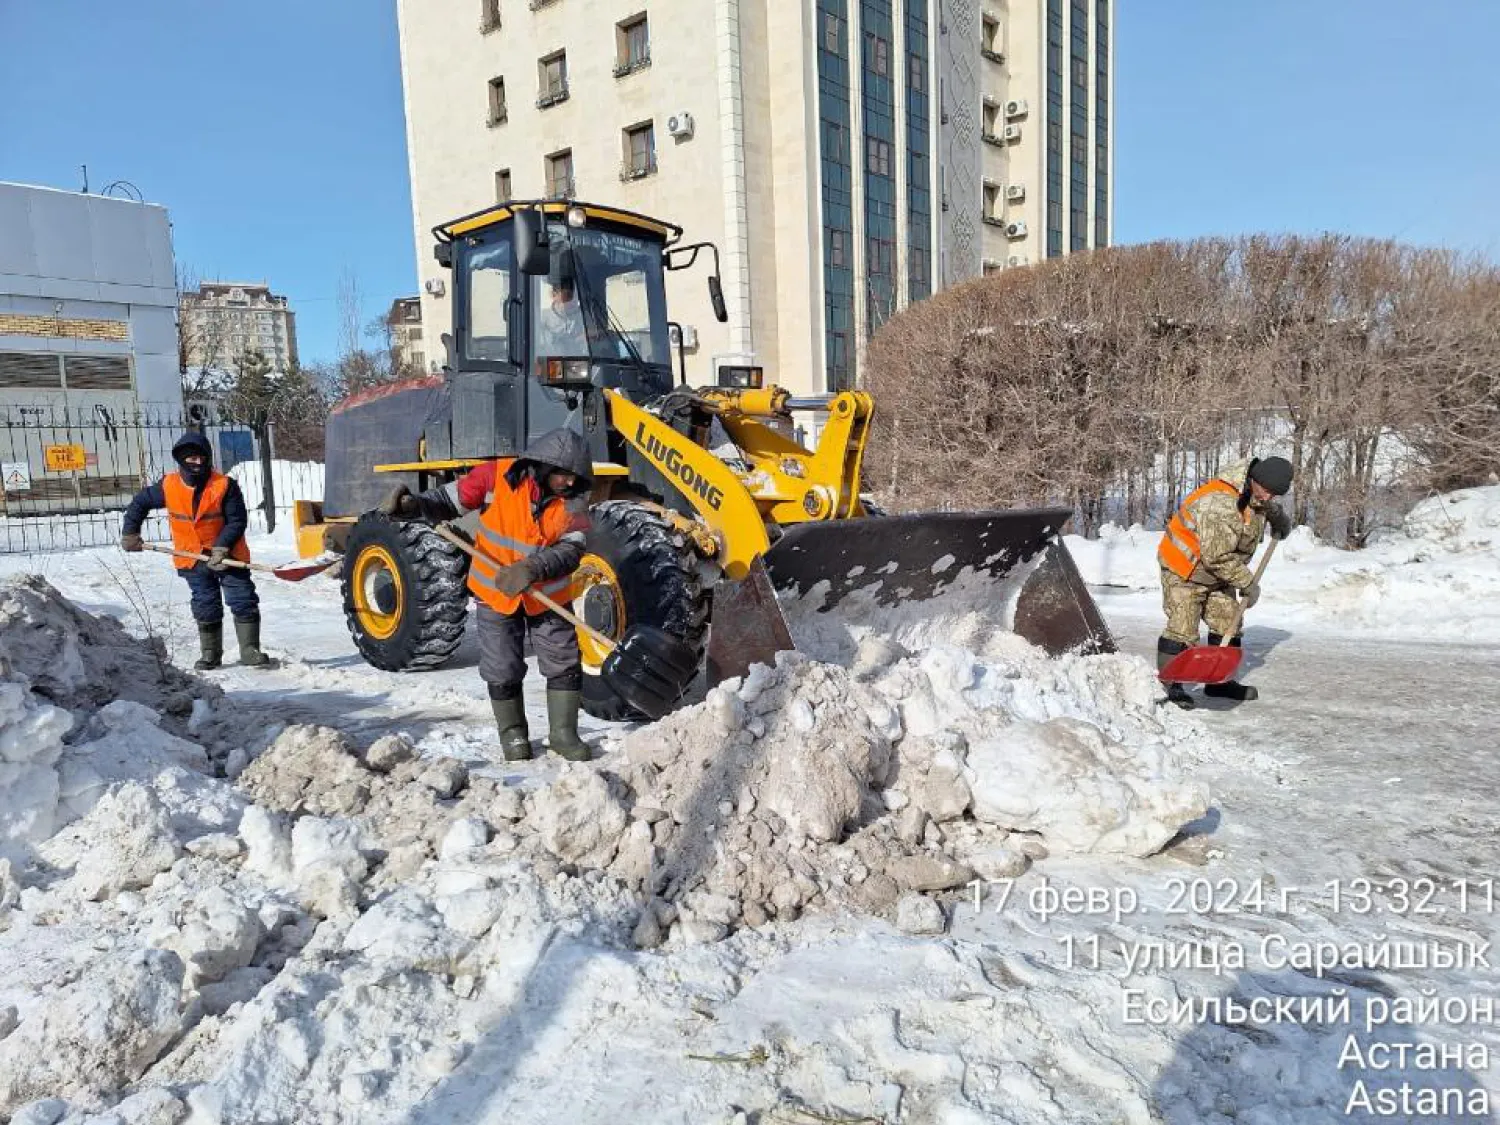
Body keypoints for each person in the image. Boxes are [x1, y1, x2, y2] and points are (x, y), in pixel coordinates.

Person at [382, 428, 593, 762]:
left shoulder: (576, 501)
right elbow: (447, 501)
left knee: (563, 661)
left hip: (546, 595)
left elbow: (572, 550)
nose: (569, 483)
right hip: (495, 593)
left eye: (575, 477)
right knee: (501, 666)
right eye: (564, 475)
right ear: (543, 465)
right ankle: (513, 737)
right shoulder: (496, 476)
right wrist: (415, 505)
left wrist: (532, 569)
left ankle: (563, 734)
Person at [119, 432, 270, 670]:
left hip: (228, 554)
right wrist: (130, 533)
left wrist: (222, 547)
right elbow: (140, 503)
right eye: (191, 459)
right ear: (181, 459)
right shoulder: (168, 486)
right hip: (192, 558)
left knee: (242, 598)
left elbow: (237, 520)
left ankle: (250, 650)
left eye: (201, 458)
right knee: (205, 602)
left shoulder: (224, 485)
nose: (197, 463)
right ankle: (210, 652)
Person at [1157, 456, 1293, 709]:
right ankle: (1170, 685)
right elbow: (1216, 556)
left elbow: (1258, 505)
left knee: (1229, 619)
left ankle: (1219, 682)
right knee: (1182, 627)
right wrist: (1248, 583)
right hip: (1185, 569)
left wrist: (1277, 517)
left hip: (1218, 573)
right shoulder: (1220, 502)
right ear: (1255, 480)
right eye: (1266, 491)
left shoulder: (1254, 492)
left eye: (1274, 495)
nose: (1267, 498)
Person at [535, 280, 589, 357]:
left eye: (577, 297)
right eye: (568, 296)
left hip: (579, 363)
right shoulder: (541, 319)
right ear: (554, 295)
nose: (574, 301)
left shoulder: (584, 317)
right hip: (549, 364)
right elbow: (539, 347)